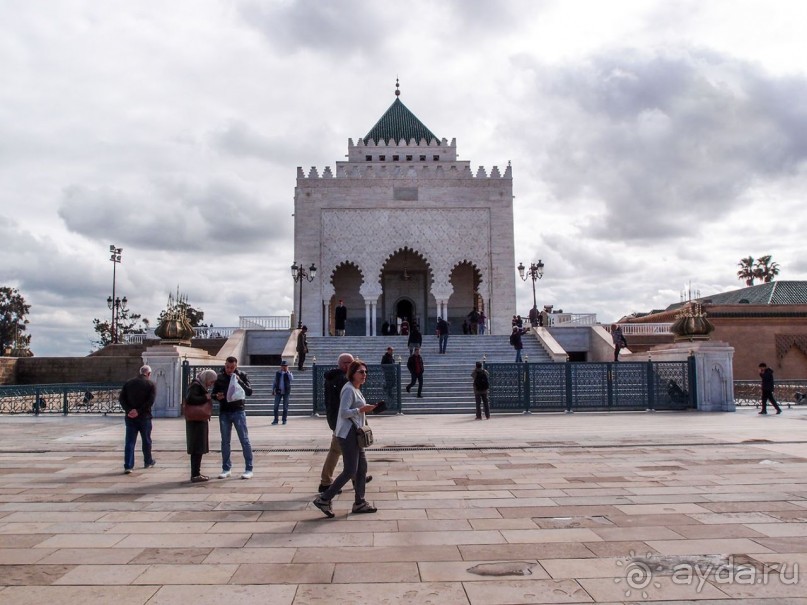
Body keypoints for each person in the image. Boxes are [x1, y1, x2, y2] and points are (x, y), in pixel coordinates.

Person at [313, 360, 378, 517]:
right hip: (348, 433)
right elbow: (344, 412)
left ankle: (360, 502)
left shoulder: (356, 389)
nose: (364, 375)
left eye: (365, 372)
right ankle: (324, 498)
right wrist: (361, 409)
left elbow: (355, 409)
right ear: (352, 374)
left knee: (362, 468)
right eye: (361, 372)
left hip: (356, 433)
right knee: (350, 470)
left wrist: (368, 408)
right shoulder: (348, 389)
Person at [212, 357, 254, 479]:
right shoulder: (219, 377)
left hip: (238, 411)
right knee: (225, 441)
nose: (229, 370)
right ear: (225, 365)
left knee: (244, 440)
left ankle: (249, 468)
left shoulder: (242, 375)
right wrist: (216, 396)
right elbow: (214, 393)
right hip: (225, 411)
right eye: (227, 367)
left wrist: (239, 380)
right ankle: (226, 468)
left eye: (232, 367)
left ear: (236, 366)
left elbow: (249, 391)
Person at [119, 365, 157, 474]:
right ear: (149, 374)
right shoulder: (151, 384)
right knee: (146, 440)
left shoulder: (129, 383)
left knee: (130, 441)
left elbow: (122, 399)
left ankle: (128, 465)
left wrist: (129, 410)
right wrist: (138, 411)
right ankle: (148, 461)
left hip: (130, 417)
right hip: (144, 417)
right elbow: (150, 401)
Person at [185, 369, 217, 483]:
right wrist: (206, 397)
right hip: (196, 421)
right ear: (206, 378)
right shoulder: (196, 385)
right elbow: (190, 399)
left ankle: (196, 473)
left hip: (198, 420)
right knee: (197, 447)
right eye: (211, 381)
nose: (211, 384)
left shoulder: (198, 384)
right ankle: (195, 474)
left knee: (198, 447)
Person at [271, 360, 294, 425]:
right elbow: (275, 382)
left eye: (285, 366)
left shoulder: (288, 373)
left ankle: (284, 420)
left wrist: (288, 372)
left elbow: (291, 379)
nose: (284, 367)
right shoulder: (278, 373)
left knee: (285, 407)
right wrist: (273, 390)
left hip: (286, 392)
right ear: (281, 366)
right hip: (278, 391)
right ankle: (276, 420)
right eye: (283, 366)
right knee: (276, 406)